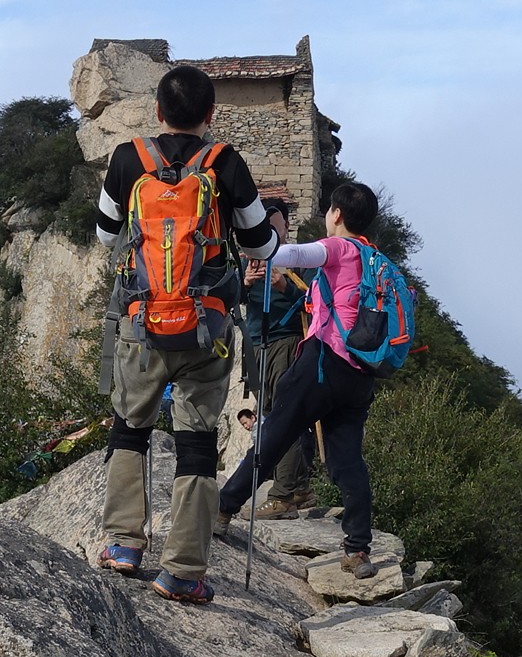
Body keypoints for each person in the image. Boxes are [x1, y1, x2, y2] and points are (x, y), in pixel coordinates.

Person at [94, 64, 278, 602]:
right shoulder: (225, 163)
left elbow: (106, 237)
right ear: (211, 115)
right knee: (196, 444)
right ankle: (182, 571)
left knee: (130, 426)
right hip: (207, 327)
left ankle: (125, 545)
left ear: (156, 111)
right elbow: (261, 245)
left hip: (141, 322)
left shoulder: (129, 159)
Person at [216, 177, 393, 576]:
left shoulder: (337, 247)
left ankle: (224, 509)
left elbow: (289, 254)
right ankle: (358, 549)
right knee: (348, 460)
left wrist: (251, 243)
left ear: (337, 214)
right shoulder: (378, 261)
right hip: (362, 373)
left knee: (274, 435)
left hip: (322, 362)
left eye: (330, 211)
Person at [238, 197, 318, 517]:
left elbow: (313, 303)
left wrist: (285, 285)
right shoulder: (248, 258)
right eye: (263, 223)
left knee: (282, 416)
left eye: (275, 223)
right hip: (257, 343)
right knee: (274, 415)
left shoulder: (298, 259)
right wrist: (244, 282)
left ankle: (282, 494)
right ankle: (298, 488)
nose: (269, 229)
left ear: (286, 225)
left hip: (287, 342)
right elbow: (231, 299)